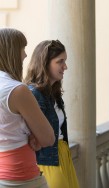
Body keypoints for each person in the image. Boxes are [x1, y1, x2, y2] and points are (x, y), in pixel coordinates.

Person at [0, 28, 55, 187]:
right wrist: (35, 134)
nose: (25, 55)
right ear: (10, 51)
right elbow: (48, 138)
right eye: (22, 48)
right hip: (21, 176)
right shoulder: (16, 90)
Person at [24, 40, 80, 188]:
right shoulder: (34, 94)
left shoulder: (53, 93)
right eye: (60, 61)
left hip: (62, 155)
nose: (65, 66)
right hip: (47, 162)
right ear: (44, 63)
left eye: (65, 61)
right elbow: (29, 136)